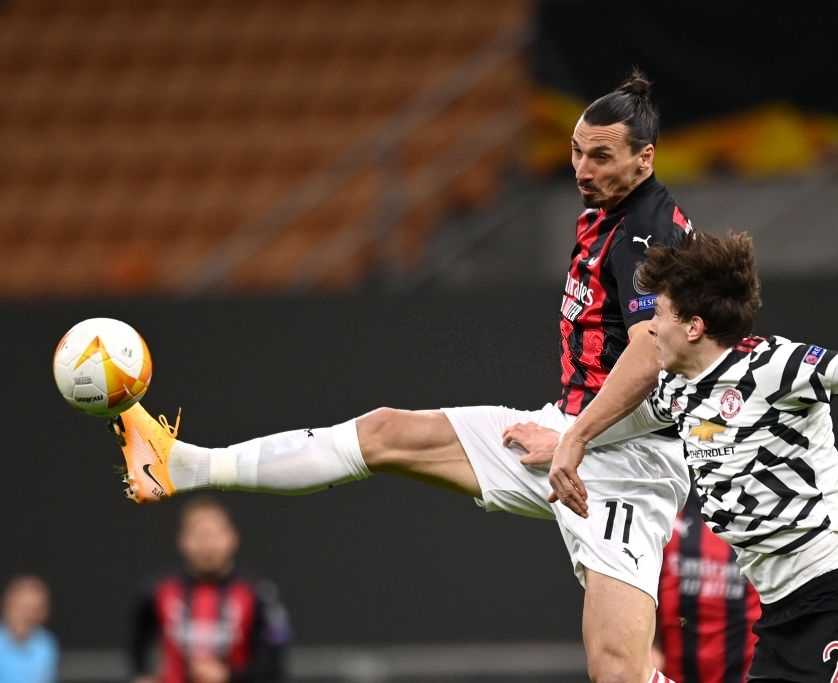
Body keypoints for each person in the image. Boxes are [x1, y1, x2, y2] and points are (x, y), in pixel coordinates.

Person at [105, 69, 692, 683]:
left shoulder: (649, 235)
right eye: (576, 150)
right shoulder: (609, 209)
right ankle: (180, 464)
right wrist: (568, 433)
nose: (582, 168)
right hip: (573, 433)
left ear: (644, 159)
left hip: (629, 467)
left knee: (618, 675)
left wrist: (575, 438)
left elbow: (652, 360)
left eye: (601, 156)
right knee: (385, 432)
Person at [538, 230, 838, 681]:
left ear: (694, 326)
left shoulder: (775, 366)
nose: (650, 327)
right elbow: (616, 423)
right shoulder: (677, 392)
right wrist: (566, 439)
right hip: (777, 625)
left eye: (658, 313)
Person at [129, 495, 291, 683]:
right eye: (199, 536)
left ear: (232, 538)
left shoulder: (259, 592)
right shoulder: (157, 590)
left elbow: (275, 661)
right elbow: (136, 645)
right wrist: (143, 675)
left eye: (214, 535)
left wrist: (229, 675)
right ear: (183, 541)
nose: (207, 546)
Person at [653, 492, 759, 683]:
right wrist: (648, 647)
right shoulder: (668, 505)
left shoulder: (761, 512)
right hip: (674, 673)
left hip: (747, 673)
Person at [0, 574, 59, 683]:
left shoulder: (46, 644)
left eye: (35, 609)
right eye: (22, 608)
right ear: (6, 605)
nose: (28, 615)